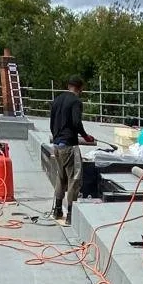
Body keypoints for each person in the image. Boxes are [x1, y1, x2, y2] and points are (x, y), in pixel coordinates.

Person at [48, 76, 95, 223]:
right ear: (80, 88)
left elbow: (51, 123)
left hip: (56, 145)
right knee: (74, 179)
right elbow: (76, 122)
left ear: (68, 85)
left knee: (60, 177)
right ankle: (70, 215)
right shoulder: (76, 102)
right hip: (69, 145)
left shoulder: (57, 100)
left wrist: (57, 137)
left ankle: (57, 210)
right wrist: (86, 137)